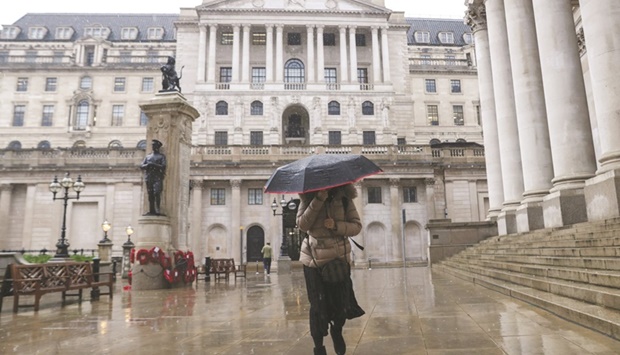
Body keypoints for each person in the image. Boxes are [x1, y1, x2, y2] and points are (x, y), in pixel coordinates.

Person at [297, 183, 365, 355]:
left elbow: (356, 226)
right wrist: (319, 198)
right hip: (314, 262)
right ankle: (318, 346)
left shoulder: (345, 197)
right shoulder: (307, 197)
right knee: (318, 306)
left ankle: (337, 330)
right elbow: (303, 225)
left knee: (340, 303)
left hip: (338, 260)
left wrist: (336, 225)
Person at [141, 139, 166, 215]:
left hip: (157, 177)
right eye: (152, 145)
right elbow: (141, 166)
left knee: (157, 192)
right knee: (150, 194)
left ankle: (157, 209)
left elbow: (163, 166)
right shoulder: (148, 156)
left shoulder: (161, 156)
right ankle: (151, 210)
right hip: (149, 177)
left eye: (154, 145)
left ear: (157, 146)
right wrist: (148, 165)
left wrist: (153, 165)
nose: (152, 146)